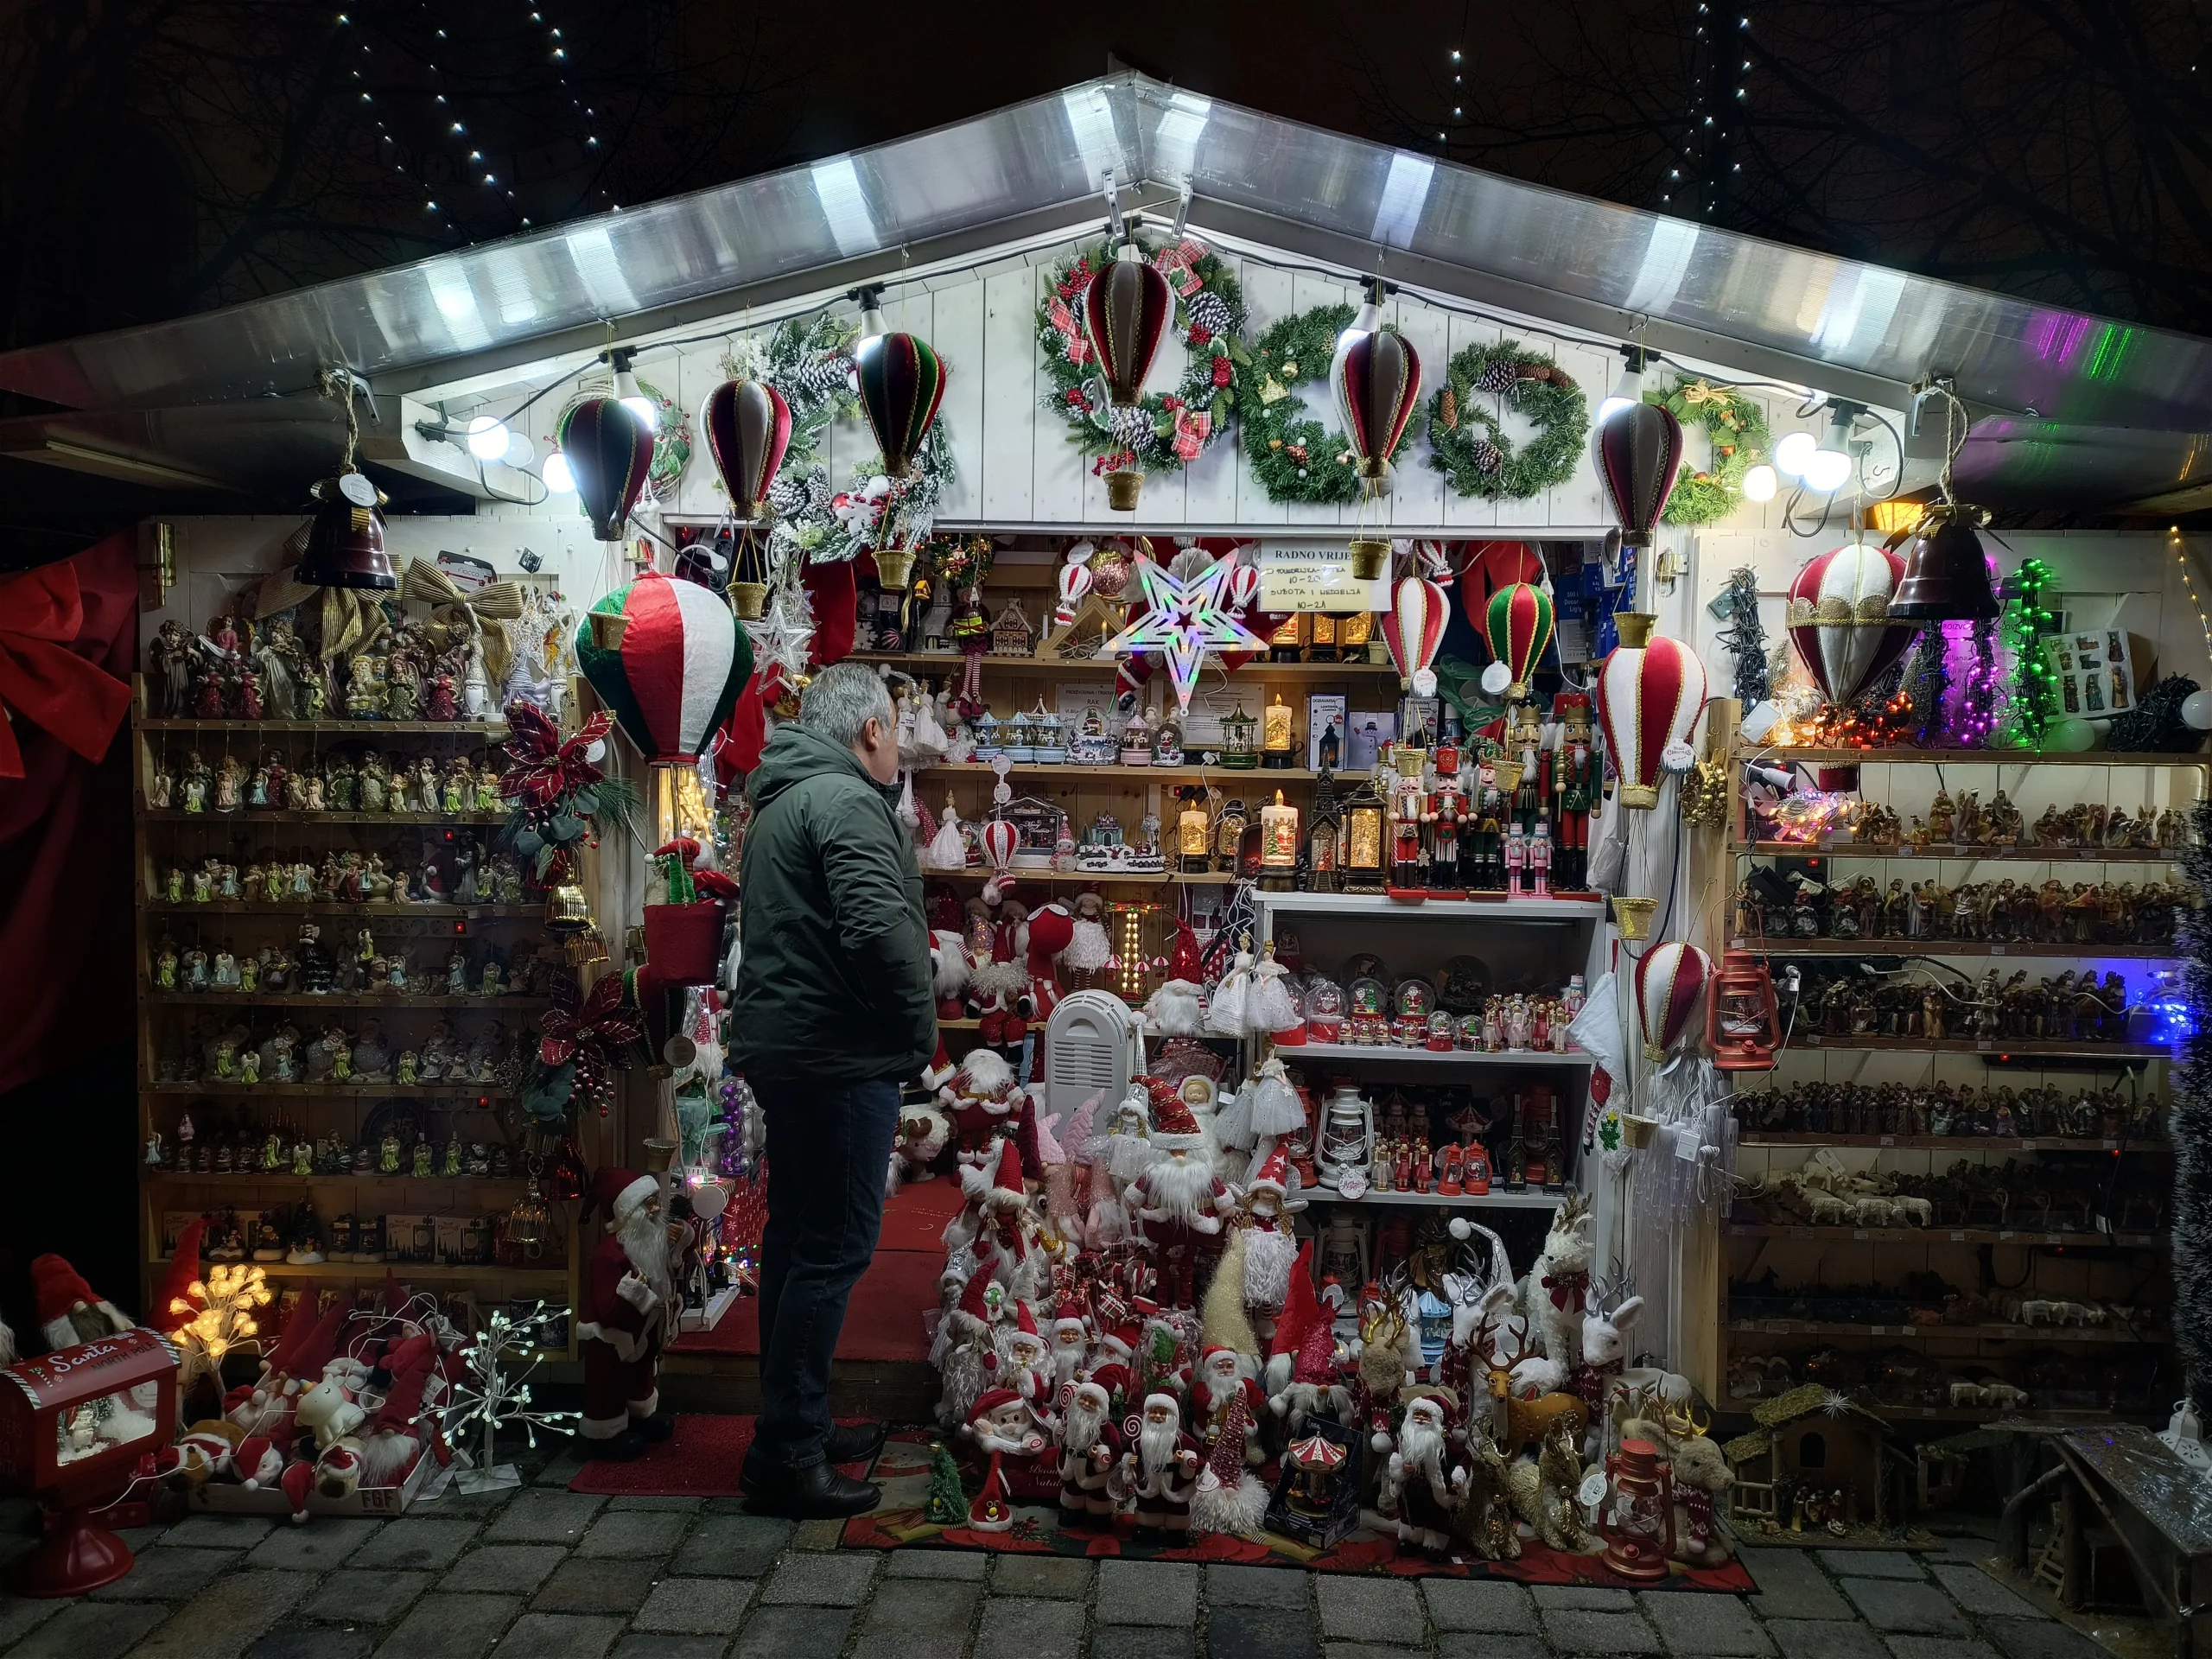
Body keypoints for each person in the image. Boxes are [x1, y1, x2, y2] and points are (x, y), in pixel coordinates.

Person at [731, 662, 935, 1516]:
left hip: (794, 1049)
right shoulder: (846, 800)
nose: (900, 747)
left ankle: (795, 1424)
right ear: (871, 729)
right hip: (839, 1054)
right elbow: (878, 931)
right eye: (897, 729)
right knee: (833, 1247)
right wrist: (915, 1032)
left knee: (795, 1239)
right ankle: (789, 1453)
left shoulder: (784, 797)